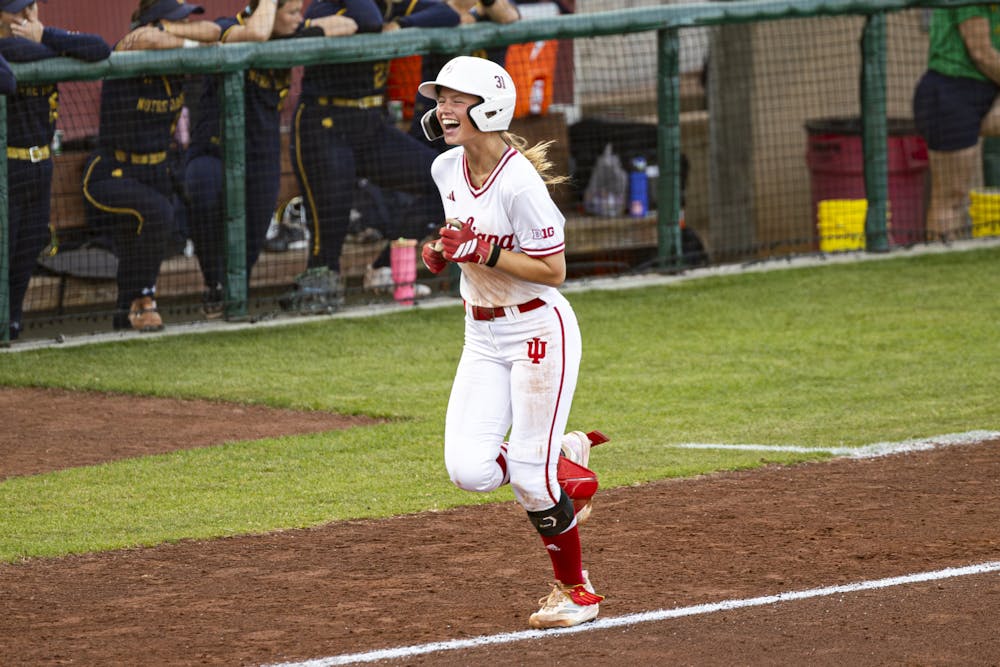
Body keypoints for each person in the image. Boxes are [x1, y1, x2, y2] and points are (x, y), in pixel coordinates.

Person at [418, 55, 608, 629]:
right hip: (481, 333)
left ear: (490, 108)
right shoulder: (446, 169)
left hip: (537, 332)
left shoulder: (521, 183)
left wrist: (485, 253)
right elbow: (468, 238)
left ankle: (577, 593)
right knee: (468, 470)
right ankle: (561, 460)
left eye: (457, 99)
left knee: (529, 477)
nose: (444, 109)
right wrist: (444, 251)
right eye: (441, 99)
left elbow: (554, 271)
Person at [184, 0, 357, 318]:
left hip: (261, 154)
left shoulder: (291, 33)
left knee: (254, 228)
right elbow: (256, 33)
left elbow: (350, 25)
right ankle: (215, 284)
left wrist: (307, 27)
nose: (298, 17)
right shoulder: (230, 28)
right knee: (203, 193)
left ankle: (235, 293)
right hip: (214, 150)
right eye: (290, 11)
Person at [284, 0, 459, 312]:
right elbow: (369, 19)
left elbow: (448, 14)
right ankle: (321, 286)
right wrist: (388, 23)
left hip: (371, 127)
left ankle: (384, 265)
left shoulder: (393, 6)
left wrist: (401, 24)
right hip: (325, 123)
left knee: (445, 181)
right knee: (331, 219)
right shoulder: (329, 6)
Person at [82, 0, 221, 332]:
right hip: (112, 172)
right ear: (153, 20)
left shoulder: (172, 53)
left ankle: (125, 314)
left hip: (156, 170)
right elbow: (147, 39)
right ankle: (144, 299)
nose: (186, 24)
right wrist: (169, 34)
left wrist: (172, 30)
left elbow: (214, 31)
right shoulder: (133, 44)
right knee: (160, 214)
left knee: (137, 244)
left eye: (185, 19)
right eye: (176, 19)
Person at [0, 0, 110, 341]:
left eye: (31, 5)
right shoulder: (10, 49)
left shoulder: (43, 37)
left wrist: (46, 35)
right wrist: (56, 47)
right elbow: (10, 68)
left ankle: (12, 323)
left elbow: (99, 49)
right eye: (17, 8)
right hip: (7, 165)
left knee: (28, 248)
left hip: (42, 164)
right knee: (5, 250)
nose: (27, 13)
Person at [913, 5, 1000, 243]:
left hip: (991, 88)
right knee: (952, 195)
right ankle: (943, 256)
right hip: (952, 90)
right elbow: (981, 53)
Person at [407, 0, 520, 152]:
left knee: (485, 155)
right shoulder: (436, 7)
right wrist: (472, 14)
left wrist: (481, 9)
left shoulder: (495, 6)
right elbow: (454, 17)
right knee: (431, 154)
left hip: (483, 105)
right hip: (438, 104)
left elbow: (508, 16)